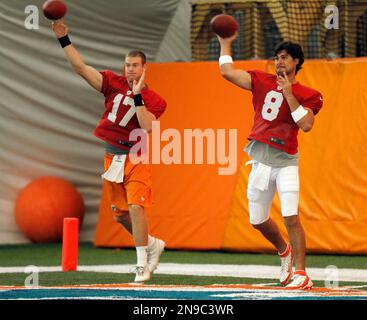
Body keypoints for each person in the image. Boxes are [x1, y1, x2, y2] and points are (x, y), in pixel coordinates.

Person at [52, 20, 166, 282]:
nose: (130, 70)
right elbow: (80, 68)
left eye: (135, 65)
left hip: (137, 156)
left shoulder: (155, 99)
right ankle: (151, 244)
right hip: (112, 155)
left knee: (136, 207)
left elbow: (147, 126)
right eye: (127, 65)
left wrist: (137, 96)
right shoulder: (112, 82)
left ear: (145, 68)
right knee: (120, 214)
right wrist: (64, 39)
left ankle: (141, 264)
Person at [217, 34, 323, 289]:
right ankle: (284, 252)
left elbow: (307, 125)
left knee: (291, 217)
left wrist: (289, 94)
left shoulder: (309, 94)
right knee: (257, 220)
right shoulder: (261, 80)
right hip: (260, 161)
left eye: (285, 57)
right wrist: (225, 42)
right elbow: (227, 73)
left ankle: (302, 273)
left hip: (286, 162)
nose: (279, 62)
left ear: (297, 61)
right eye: (276, 58)